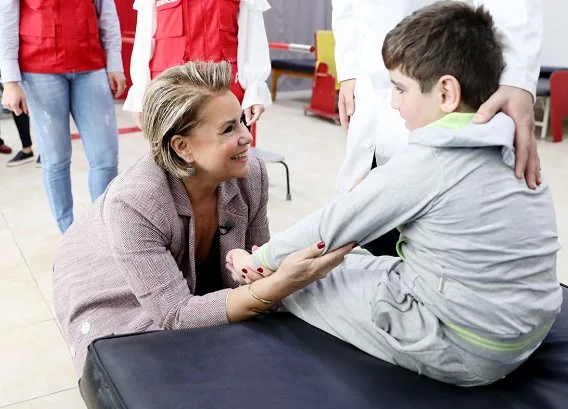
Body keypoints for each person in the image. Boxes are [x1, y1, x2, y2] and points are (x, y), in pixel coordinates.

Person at [228, 2, 561, 387]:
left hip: (464, 345)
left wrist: (264, 258)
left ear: (446, 93)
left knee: (301, 277)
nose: (392, 101)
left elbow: (331, 225)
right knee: (356, 262)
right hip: (525, 330)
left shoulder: (426, 163)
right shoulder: (510, 144)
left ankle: (256, 274)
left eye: (400, 89)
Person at [53, 61, 353, 374]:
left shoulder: (251, 176)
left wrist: (262, 270)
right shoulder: (135, 203)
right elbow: (175, 315)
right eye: (228, 129)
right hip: (114, 293)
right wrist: (281, 283)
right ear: (182, 147)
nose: (246, 137)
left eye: (241, 122)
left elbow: (258, 267)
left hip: (175, 287)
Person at [332, 0, 543, 256]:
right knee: (365, 237)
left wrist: (517, 79)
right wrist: (350, 69)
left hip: (441, 85)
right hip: (375, 95)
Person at [0, 0, 126, 233]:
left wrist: (114, 63)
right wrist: (9, 80)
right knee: (56, 160)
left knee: (105, 158)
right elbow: (5, 20)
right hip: (39, 70)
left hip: (91, 65)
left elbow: (107, 12)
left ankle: (104, 231)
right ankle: (68, 233)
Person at [123, 0, 272, 130]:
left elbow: (253, 35)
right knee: (172, 159)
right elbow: (144, 40)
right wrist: (140, 95)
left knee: (228, 159)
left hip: (226, 93)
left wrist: (255, 89)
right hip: (172, 95)